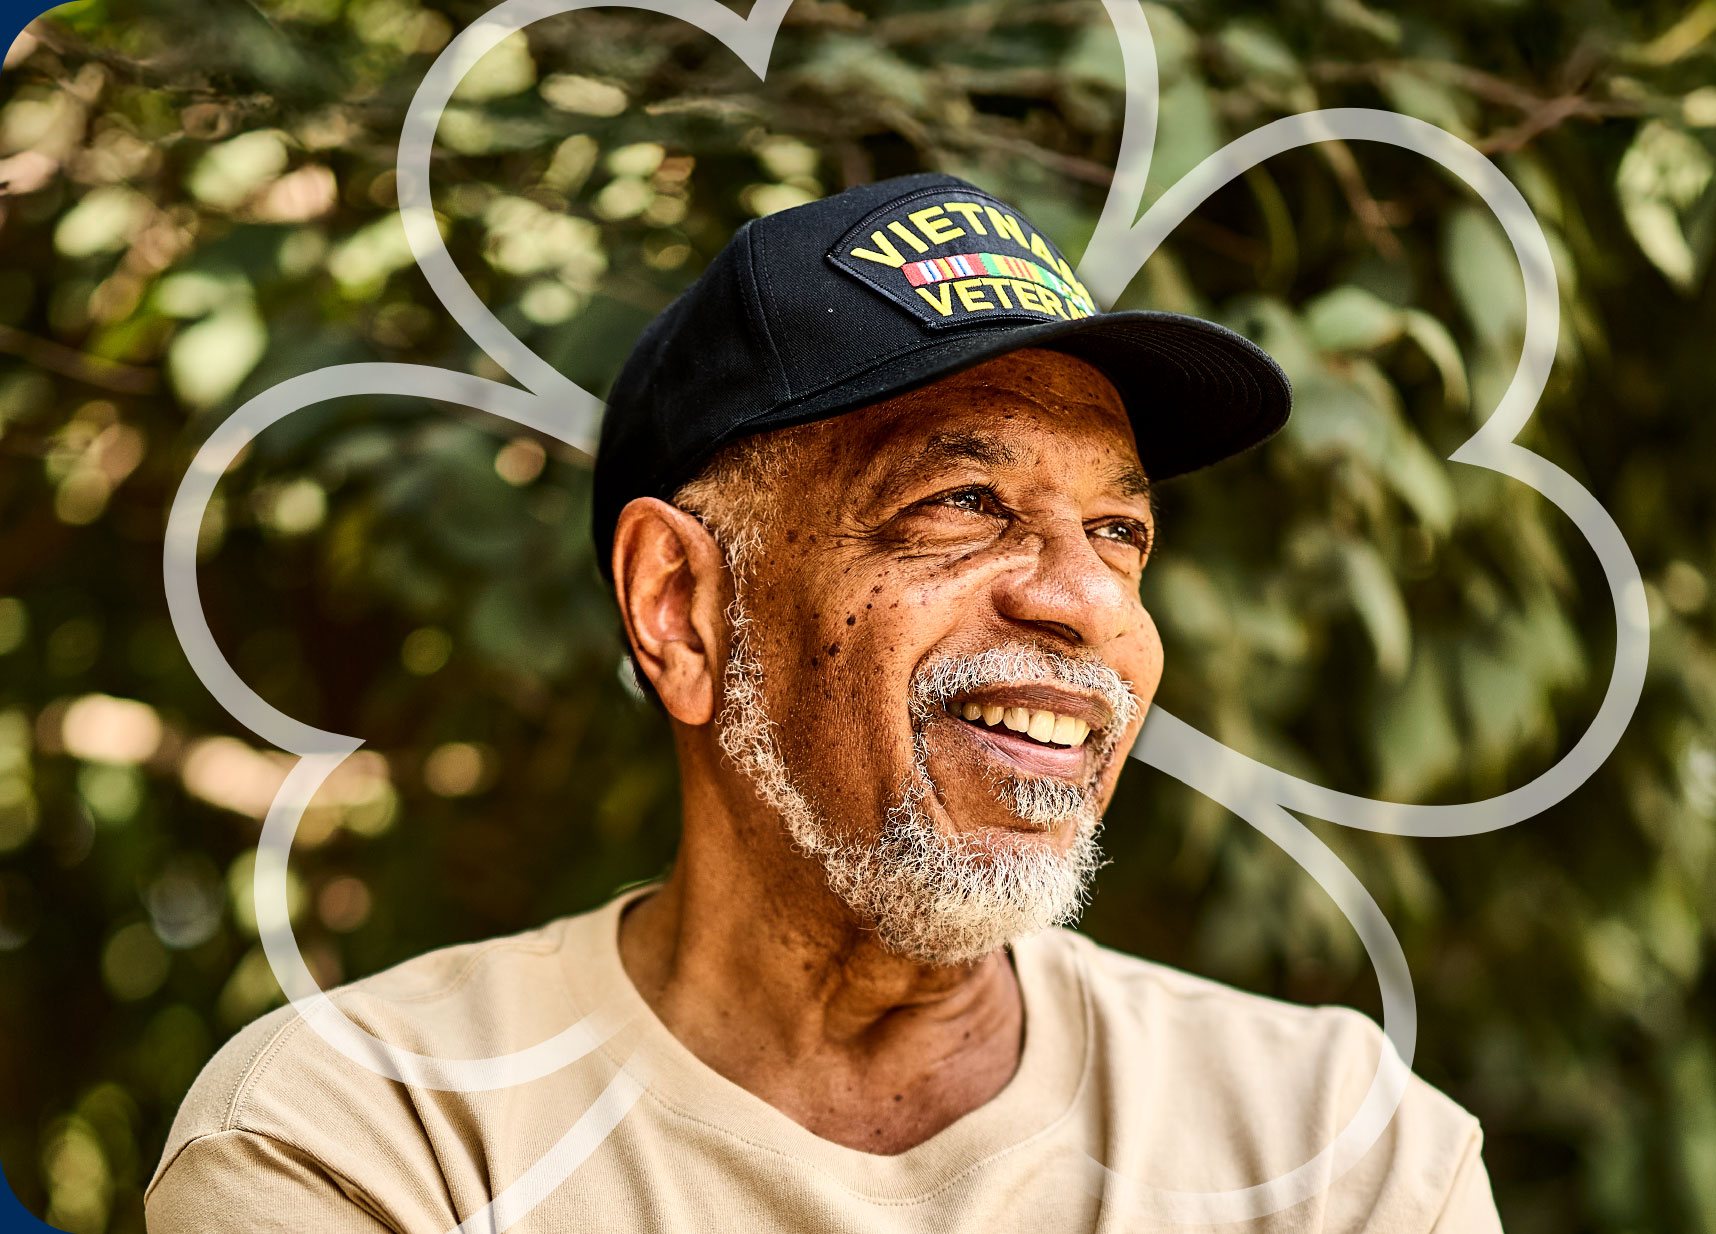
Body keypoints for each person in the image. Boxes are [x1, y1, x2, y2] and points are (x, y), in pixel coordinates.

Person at [146, 173, 1502, 1232]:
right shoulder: (373, 1140)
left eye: (1119, 532)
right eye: (962, 505)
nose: (1088, 605)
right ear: (681, 607)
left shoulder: (1339, 1148)